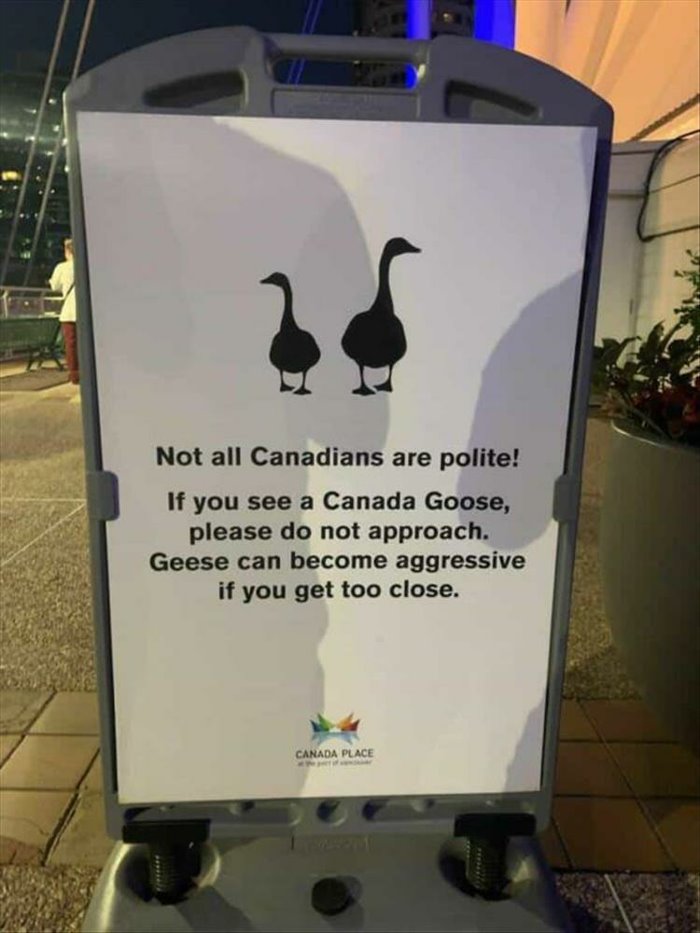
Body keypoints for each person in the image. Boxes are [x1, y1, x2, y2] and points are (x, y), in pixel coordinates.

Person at [49, 238, 78, 384]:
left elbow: (55, 286)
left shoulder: (62, 267)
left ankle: (75, 374)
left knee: (71, 344)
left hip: (69, 311)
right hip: (85, 312)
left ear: (67, 251)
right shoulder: (85, 265)